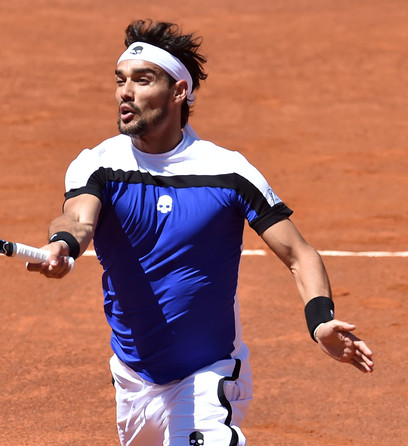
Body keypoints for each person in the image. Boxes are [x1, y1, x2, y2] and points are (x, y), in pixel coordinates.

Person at [27, 19, 374, 446]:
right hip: (133, 379)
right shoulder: (97, 164)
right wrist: (63, 244)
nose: (125, 92)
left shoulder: (227, 171)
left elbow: (298, 254)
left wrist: (319, 321)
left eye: (142, 79)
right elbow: (78, 218)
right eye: (121, 81)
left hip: (210, 371)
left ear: (178, 91)